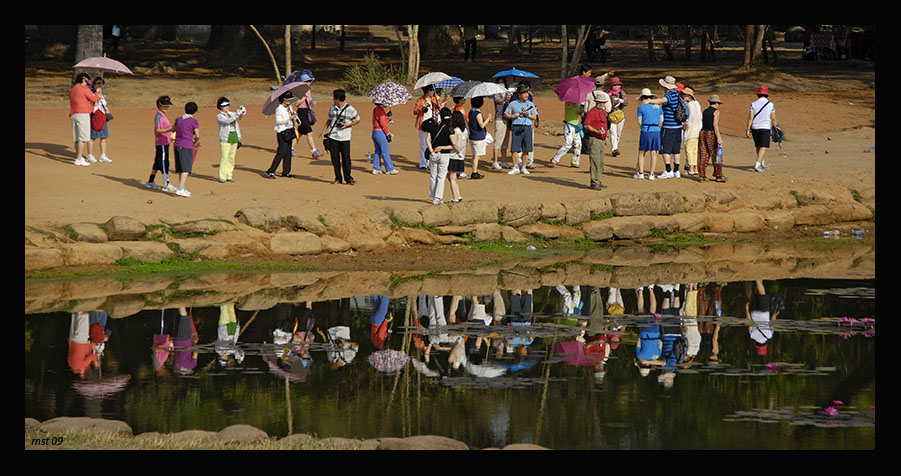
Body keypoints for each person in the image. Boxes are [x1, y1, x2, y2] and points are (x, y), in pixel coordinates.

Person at [649, 75, 688, 179]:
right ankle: (676, 170)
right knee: (676, 149)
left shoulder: (670, 94)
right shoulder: (677, 94)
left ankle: (668, 170)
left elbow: (662, 100)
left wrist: (650, 101)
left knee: (665, 148)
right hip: (678, 126)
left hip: (669, 126)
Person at [321, 89, 360, 185]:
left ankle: (348, 178)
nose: (333, 100)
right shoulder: (332, 108)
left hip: (345, 137)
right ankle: (338, 178)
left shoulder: (350, 109)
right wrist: (323, 131)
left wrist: (347, 125)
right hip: (333, 136)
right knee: (335, 158)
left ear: (337, 99)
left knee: (346, 158)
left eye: (334, 98)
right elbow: (329, 119)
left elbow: (357, 120)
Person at [504, 84, 538, 175]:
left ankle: (523, 167)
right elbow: (506, 114)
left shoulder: (531, 104)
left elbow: (534, 117)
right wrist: (513, 116)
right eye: (524, 93)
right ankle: (515, 167)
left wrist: (528, 115)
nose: (526, 95)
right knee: (514, 148)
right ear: (519, 94)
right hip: (516, 127)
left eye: (527, 93)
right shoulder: (513, 104)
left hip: (527, 127)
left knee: (526, 149)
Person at [69, 72, 101, 166]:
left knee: (77, 137)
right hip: (82, 114)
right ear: (84, 80)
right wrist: (98, 92)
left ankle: (80, 156)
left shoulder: (73, 89)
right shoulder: (83, 88)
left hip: (74, 114)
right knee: (82, 137)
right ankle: (79, 158)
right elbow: (94, 99)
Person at [146, 95, 176, 191]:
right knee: (164, 162)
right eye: (165, 105)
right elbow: (157, 129)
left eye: (168, 105)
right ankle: (166, 183)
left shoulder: (163, 115)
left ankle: (150, 181)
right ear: (160, 105)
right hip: (162, 143)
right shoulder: (159, 115)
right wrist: (170, 129)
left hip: (165, 142)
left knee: (157, 163)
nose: (167, 107)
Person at [426, 107, 455, 204]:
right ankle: (438, 198)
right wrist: (443, 147)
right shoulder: (450, 129)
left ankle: (434, 196)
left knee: (433, 175)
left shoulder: (433, 127)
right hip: (444, 155)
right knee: (441, 176)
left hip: (433, 154)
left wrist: (432, 151)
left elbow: (427, 140)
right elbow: (453, 145)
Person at [746, 85, 778, 172]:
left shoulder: (753, 104)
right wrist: (776, 127)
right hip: (765, 127)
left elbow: (750, 118)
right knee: (763, 146)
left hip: (755, 127)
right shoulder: (771, 105)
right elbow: (773, 118)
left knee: (758, 145)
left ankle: (761, 161)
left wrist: (748, 129)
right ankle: (757, 163)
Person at [266, 92, 297, 179]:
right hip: (282, 132)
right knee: (281, 153)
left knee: (288, 153)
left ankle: (286, 172)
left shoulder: (290, 107)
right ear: (284, 100)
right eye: (288, 100)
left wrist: (294, 116)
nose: (290, 101)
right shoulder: (279, 109)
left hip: (290, 131)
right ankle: (271, 171)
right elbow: (279, 121)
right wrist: (289, 118)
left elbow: (292, 119)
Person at [293, 73, 324, 160]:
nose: (309, 82)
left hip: (306, 111)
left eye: (309, 81)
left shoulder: (309, 91)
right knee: (309, 132)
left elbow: (309, 103)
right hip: (301, 113)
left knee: (300, 133)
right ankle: (314, 151)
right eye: (306, 81)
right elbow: (296, 104)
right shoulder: (299, 91)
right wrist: (303, 98)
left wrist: (312, 103)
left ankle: (290, 149)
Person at [172, 102, 200, 197]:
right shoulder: (194, 121)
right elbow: (197, 135)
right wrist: (195, 142)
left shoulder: (178, 119)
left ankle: (182, 187)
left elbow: (174, 129)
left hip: (177, 145)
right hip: (186, 145)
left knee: (180, 167)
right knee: (186, 168)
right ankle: (180, 188)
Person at [582, 90, 609, 190]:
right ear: (596, 102)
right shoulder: (592, 112)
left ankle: (598, 180)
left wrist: (606, 137)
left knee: (600, 162)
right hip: (594, 139)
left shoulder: (603, 112)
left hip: (601, 140)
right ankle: (594, 182)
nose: (602, 104)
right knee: (595, 161)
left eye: (603, 102)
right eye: (600, 102)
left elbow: (604, 126)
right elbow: (587, 126)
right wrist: (597, 132)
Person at [634, 88, 663, 180]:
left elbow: (640, 121)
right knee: (654, 153)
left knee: (641, 152)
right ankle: (651, 174)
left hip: (646, 130)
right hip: (656, 130)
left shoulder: (641, 108)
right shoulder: (658, 106)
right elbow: (661, 119)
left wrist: (643, 127)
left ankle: (641, 172)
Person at [215, 97, 245, 183]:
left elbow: (240, 116)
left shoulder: (231, 113)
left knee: (231, 158)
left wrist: (242, 111)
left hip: (234, 137)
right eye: (224, 106)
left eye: (228, 105)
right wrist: (237, 114)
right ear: (220, 107)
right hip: (225, 139)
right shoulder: (220, 116)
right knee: (225, 157)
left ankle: (229, 175)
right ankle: (222, 176)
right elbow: (227, 121)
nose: (227, 107)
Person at [413, 85, 444, 169]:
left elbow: (440, 108)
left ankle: (431, 162)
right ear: (426, 91)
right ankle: (423, 163)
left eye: (433, 90)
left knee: (432, 143)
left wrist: (438, 101)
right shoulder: (420, 100)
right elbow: (415, 111)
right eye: (430, 90)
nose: (432, 92)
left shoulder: (434, 99)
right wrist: (422, 109)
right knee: (424, 144)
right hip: (423, 124)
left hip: (433, 123)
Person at [698, 95, 725, 182]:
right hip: (711, 133)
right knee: (716, 154)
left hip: (702, 132)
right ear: (716, 103)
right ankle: (718, 175)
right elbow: (715, 125)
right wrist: (719, 137)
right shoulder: (716, 112)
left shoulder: (705, 111)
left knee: (703, 154)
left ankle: (702, 175)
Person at [745, 280, 774, 357]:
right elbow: (750, 322)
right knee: (756, 295)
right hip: (754, 313)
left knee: (762, 294)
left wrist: (775, 312)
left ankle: (758, 280)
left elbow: (772, 322)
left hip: (764, 313)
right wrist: (747, 309)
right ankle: (756, 281)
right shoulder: (752, 336)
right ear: (756, 346)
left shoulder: (769, 335)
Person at [87, 77, 113, 163]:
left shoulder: (101, 94)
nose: (99, 85)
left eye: (101, 84)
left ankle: (103, 155)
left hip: (102, 116)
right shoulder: (91, 93)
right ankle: (89, 154)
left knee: (104, 137)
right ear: (93, 84)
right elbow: (91, 102)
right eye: (98, 83)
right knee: (93, 137)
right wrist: (97, 95)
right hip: (95, 116)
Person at [467, 96, 491, 179]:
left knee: (475, 155)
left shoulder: (471, 111)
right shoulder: (478, 113)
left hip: (473, 136)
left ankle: (475, 171)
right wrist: (488, 119)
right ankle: (474, 172)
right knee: (477, 156)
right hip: (478, 136)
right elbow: (482, 125)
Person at [491, 78, 513, 170]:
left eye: (503, 83)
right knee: (498, 141)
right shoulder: (496, 94)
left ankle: (503, 161)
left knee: (505, 141)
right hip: (500, 119)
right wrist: (505, 98)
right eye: (499, 83)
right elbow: (498, 101)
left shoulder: (507, 93)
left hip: (507, 119)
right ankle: (495, 162)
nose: (501, 84)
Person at [371, 102, 397, 175]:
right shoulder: (381, 110)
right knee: (385, 151)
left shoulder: (376, 109)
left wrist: (387, 117)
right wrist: (387, 133)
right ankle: (389, 169)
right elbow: (383, 124)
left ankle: (376, 168)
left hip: (375, 132)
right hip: (380, 132)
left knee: (377, 151)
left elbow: (379, 120)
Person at [447, 110, 467, 202]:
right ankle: (458, 195)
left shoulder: (455, 130)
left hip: (454, 156)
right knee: (452, 177)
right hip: (461, 157)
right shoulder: (465, 130)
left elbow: (454, 144)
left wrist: (442, 147)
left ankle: (455, 197)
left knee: (452, 177)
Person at [681, 86, 701, 176]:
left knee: (689, 150)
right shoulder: (697, 103)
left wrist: (686, 125)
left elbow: (691, 117)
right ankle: (695, 168)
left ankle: (691, 169)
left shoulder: (689, 105)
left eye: (684, 95)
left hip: (691, 130)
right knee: (695, 150)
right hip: (698, 129)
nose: (683, 96)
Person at [606, 77, 628, 157]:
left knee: (618, 134)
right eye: (615, 85)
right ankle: (614, 149)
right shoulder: (608, 94)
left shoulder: (622, 93)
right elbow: (607, 104)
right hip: (612, 116)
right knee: (613, 133)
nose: (617, 86)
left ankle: (616, 147)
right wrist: (614, 101)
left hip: (621, 116)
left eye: (618, 85)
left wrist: (621, 101)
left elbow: (626, 102)